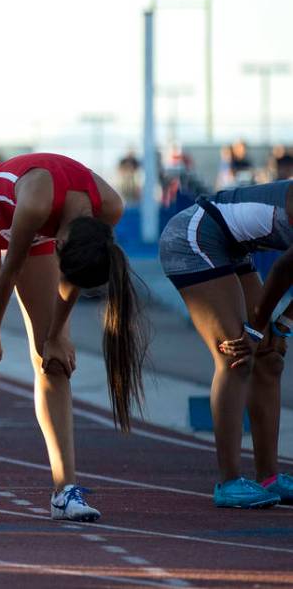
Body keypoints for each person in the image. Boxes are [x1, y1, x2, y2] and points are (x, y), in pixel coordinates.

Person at [0, 152, 146, 522]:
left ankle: (65, 490)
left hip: (45, 235)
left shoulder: (109, 208)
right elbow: (10, 270)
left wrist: (56, 335)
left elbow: (74, 272)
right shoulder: (37, 201)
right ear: (63, 241)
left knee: (54, 363)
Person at [159, 181, 293, 508]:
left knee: (270, 359)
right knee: (237, 355)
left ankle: (269, 477)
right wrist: (260, 330)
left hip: (231, 247)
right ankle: (228, 481)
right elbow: (282, 272)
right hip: (193, 237)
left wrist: (283, 326)